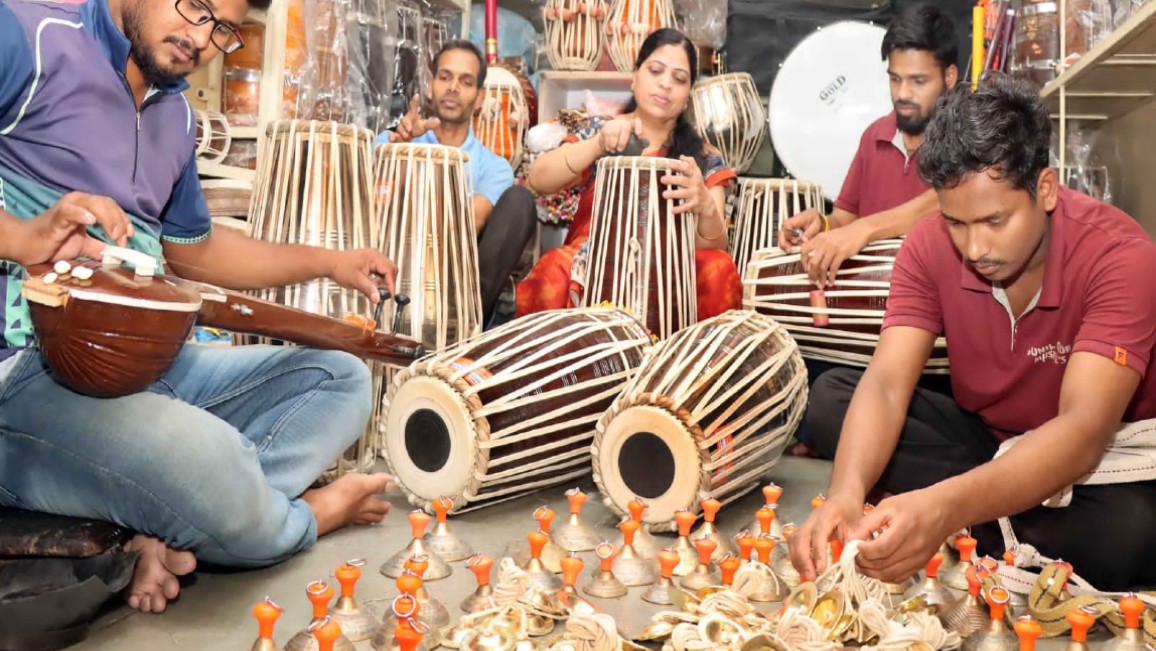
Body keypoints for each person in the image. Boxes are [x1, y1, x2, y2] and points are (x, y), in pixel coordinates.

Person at [0, 0, 401, 614]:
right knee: (205, 461)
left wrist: (330, 262)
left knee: (340, 379)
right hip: (30, 371)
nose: (202, 37)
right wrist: (24, 238)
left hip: (151, 363)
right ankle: (298, 519)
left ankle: (170, 519)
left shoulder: (177, 115)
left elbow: (194, 250)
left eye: (222, 27)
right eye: (196, 6)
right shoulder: (27, 34)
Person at [788, 75, 1156, 592]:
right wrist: (846, 494)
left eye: (994, 221)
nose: (975, 248)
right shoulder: (926, 246)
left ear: (1044, 190)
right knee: (832, 399)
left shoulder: (1121, 255)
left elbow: (1083, 431)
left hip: (1101, 463)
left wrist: (943, 505)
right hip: (990, 443)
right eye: (956, 223)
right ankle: (992, 517)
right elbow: (888, 383)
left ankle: (960, 518)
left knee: (1133, 532)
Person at [780, 2, 959, 457]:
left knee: (835, 405)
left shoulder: (966, 136)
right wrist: (820, 225)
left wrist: (861, 233)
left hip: (935, 350)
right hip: (863, 337)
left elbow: (943, 200)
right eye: (895, 78)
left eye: (919, 81)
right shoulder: (875, 134)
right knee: (796, 370)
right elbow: (845, 216)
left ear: (951, 78)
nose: (903, 93)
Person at [516, 28, 742, 320]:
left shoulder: (703, 158)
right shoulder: (599, 130)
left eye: (679, 79)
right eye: (656, 70)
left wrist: (704, 205)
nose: (665, 84)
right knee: (552, 271)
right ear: (635, 76)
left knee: (718, 270)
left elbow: (714, 247)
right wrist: (598, 144)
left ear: (688, 96)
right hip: (595, 268)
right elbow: (539, 178)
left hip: (670, 279)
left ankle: (690, 364)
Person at [377, 40, 536, 328]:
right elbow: (373, 209)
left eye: (466, 81)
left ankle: (460, 326)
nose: (452, 88)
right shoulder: (393, 141)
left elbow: (464, 227)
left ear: (478, 99)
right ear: (430, 86)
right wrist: (402, 153)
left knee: (520, 203)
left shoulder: (495, 167)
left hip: (453, 283)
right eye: (445, 77)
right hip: (390, 268)